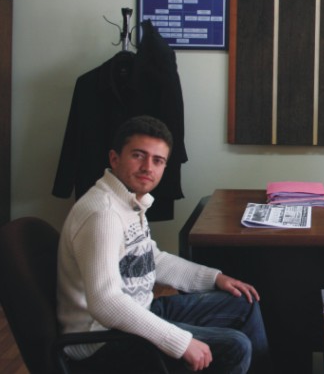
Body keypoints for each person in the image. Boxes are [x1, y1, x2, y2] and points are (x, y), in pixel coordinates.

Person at [57, 115, 271, 373]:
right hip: (102, 341)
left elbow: (152, 259)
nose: (148, 167)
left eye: (157, 160)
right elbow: (106, 302)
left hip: (138, 312)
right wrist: (179, 341)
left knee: (244, 302)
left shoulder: (129, 201)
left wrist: (215, 278)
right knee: (234, 346)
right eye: (138, 155)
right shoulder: (102, 214)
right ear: (114, 158)